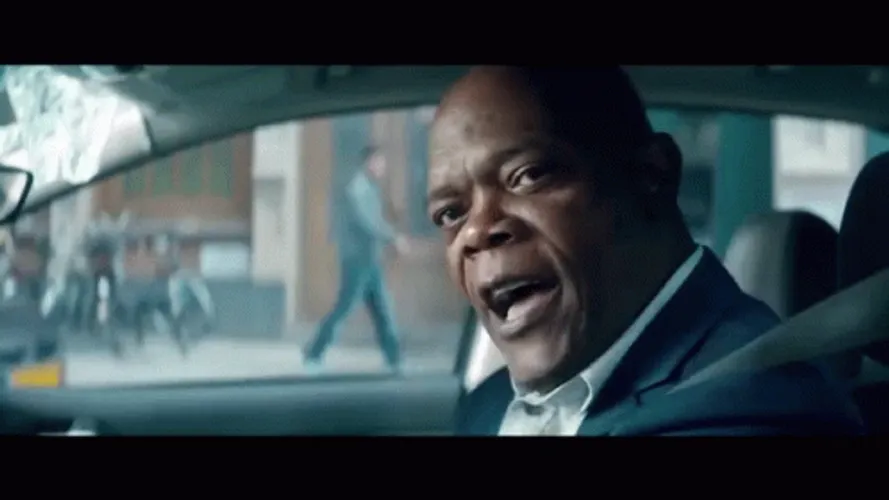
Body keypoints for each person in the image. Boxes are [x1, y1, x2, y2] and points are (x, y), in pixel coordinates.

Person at [427, 66, 863, 436]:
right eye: (450, 214)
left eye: (528, 175)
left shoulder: (754, 403)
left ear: (650, 174)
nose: (476, 231)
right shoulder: (488, 405)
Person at [303, 146, 409, 372]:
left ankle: (394, 360)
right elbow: (367, 221)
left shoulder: (369, 187)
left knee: (382, 310)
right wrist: (393, 237)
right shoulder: (357, 188)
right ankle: (313, 354)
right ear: (369, 162)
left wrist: (388, 240)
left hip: (370, 260)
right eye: (379, 162)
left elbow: (374, 221)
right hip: (357, 262)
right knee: (344, 309)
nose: (382, 168)